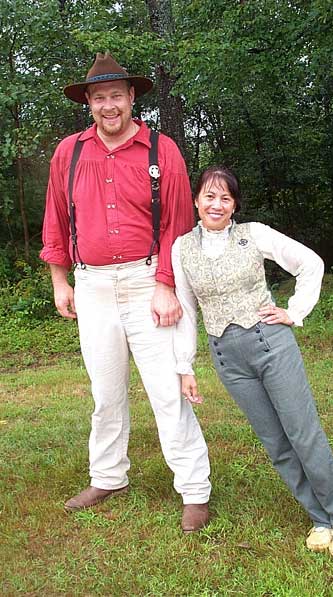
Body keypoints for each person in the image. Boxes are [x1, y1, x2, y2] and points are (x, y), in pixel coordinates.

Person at [40, 52, 210, 532]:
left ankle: (195, 490)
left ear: (132, 98)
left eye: (116, 95)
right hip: (91, 285)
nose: (108, 105)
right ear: (88, 104)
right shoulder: (69, 153)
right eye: (99, 98)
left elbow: (178, 224)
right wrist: (60, 281)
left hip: (147, 281)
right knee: (105, 392)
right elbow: (56, 219)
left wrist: (165, 286)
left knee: (166, 391)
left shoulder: (164, 151)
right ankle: (108, 477)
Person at [171, 165, 333, 556]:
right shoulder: (181, 248)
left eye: (225, 197)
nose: (217, 204)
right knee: (276, 443)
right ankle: (320, 518)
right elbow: (187, 309)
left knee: (302, 433)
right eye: (209, 195)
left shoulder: (253, 234)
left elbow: (310, 263)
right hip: (227, 359)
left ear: (234, 204)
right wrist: (184, 365)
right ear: (196, 200)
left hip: (271, 345)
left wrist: (295, 311)